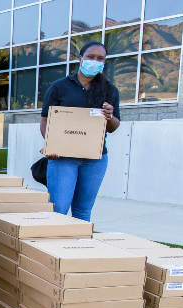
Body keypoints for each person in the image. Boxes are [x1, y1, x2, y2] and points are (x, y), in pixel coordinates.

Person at [40, 41, 120, 222]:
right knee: (58, 210)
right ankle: (53, 248)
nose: (95, 61)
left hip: (95, 160)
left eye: (100, 58)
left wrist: (109, 116)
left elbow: (114, 127)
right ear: (81, 59)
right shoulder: (60, 87)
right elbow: (46, 119)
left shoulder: (110, 90)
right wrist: (50, 144)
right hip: (62, 158)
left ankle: (79, 248)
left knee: (83, 211)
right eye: (91, 57)